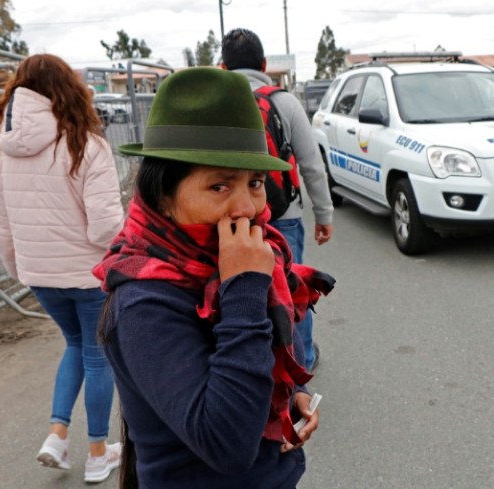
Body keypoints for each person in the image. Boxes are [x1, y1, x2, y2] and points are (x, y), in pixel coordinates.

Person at [92, 67, 334, 488]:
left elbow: (264, 361)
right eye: (220, 186)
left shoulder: (250, 262)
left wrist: (289, 395)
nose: (249, 207)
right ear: (162, 196)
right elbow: (227, 446)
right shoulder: (145, 302)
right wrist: (242, 291)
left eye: (256, 183)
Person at [0, 54, 125, 483]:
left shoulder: (0, 149)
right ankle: (98, 452)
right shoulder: (87, 143)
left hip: (39, 275)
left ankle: (57, 434)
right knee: (98, 355)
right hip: (89, 274)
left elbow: (0, 224)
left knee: (74, 346)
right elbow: (105, 226)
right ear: (67, 89)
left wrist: (21, 270)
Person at [221, 27, 334, 372]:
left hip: (228, 218)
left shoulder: (215, 104)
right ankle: (303, 363)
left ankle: (252, 361)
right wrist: (324, 215)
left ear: (223, 67)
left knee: (234, 289)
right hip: (283, 214)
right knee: (291, 288)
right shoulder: (285, 102)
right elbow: (311, 165)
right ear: (265, 63)